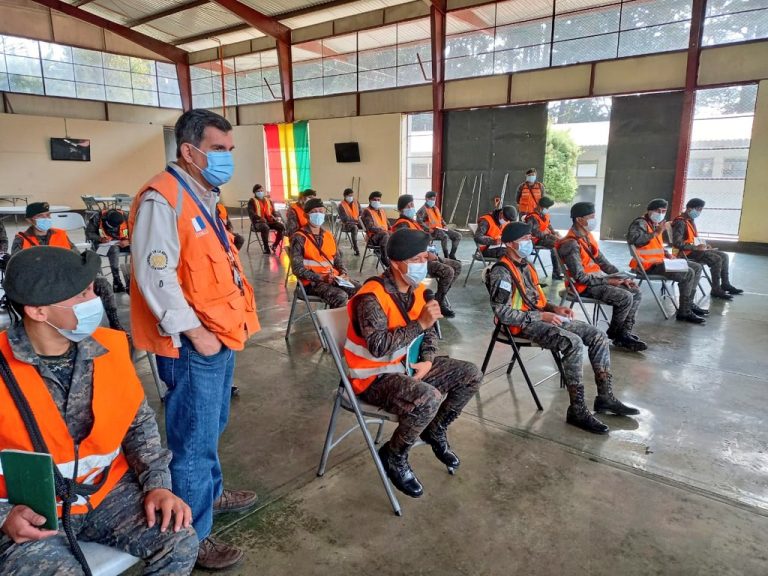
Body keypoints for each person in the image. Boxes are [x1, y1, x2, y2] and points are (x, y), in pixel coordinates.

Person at [0, 247, 197, 575]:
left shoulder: (111, 348)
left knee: (179, 540)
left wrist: (158, 485)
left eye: (91, 289)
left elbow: (138, 425)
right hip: (28, 512)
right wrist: (5, 516)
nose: (95, 300)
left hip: (106, 493)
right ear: (38, 311)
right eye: (82, 294)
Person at [129, 109, 261, 570]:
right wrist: (197, 333)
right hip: (192, 342)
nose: (227, 158)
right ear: (189, 151)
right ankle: (192, 535)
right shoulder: (162, 199)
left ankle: (211, 494)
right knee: (191, 439)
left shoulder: (203, 196)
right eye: (218, 149)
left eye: (230, 149)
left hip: (221, 334)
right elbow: (156, 277)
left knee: (212, 425)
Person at [345, 228, 483, 498]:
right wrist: (419, 323)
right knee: (429, 398)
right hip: (373, 378)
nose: (424, 264)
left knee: (471, 374)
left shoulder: (418, 291)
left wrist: (428, 361)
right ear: (396, 263)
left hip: (407, 367)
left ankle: (435, 429)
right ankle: (395, 455)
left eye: (425, 257)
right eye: (417, 259)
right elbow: (378, 346)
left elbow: (429, 334)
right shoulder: (371, 297)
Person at [487, 222, 639, 434]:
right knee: (572, 342)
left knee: (597, 335)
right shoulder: (501, 272)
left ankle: (605, 396)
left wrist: (554, 309)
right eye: (525, 239)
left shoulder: (526, 265)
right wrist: (541, 315)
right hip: (520, 325)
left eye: (530, 238)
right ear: (511, 243)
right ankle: (577, 409)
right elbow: (502, 312)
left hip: (541, 317)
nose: (530, 242)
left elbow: (533, 300)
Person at [11, 202, 126, 333]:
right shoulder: (21, 240)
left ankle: (114, 322)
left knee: (102, 283)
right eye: (40, 216)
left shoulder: (60, 234)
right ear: (29, 220)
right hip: (42, 284)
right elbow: (18, 268)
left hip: (66, 278)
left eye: (48, 215)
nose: (46, 219)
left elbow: (76, 256)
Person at [557, 202, 647, 352]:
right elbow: (580, 277)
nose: (594, 220)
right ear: (579, 219)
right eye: (591, 217)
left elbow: (603, 262)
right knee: (625, 297)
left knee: (635, 291)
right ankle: (616, 334)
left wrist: (622, 277)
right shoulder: (571, 244)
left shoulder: (587, 237)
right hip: (584, 287)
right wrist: (609, 280)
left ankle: (624, 333)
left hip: (597, 280)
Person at [627, 198, 708, 324]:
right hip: (647, 265)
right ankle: (684, 312)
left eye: (664, 211)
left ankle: (688, 304)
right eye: (658, 211)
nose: (661, 214)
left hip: (661, 262)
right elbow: (634, 240)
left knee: (696, 267)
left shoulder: (655, 224)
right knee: (688, 273)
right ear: (649, 211)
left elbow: (656, 245)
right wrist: (655, 233)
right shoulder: (640, 223)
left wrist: (667, 254)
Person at [392, 194, 461, 318]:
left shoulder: (412, 222)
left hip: (425, 257)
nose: (412, 207)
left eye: (412, 204)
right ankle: (440, 303)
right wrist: (427, 254)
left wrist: (429, 252)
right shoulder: (402, 225)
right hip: (415, 263)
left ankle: (440, 297)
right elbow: (406, 249)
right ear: (402, 209)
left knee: (457, 266)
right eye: (409, 205)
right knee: (449, 271)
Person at [290, 197, 360, 308]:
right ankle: (334, 319)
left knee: (360, 290)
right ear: (306, 215)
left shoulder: (329, 235)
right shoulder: (299, 237)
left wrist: (343, 273)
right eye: (314, 212)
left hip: (334, 278)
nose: (318, 214)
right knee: (340, 296)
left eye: (321, 211)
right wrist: (321, 278)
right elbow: (297, 268)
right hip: (311, 283)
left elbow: (337, 259)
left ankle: (348, 318)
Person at [671, 198, 743, 300]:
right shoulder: (680, 222)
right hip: (686, 253)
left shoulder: (689, 221)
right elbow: (677, 243)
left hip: (694, 250)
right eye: (698, 209)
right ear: (689, 209)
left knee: (724, 256)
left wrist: (705, 245)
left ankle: (725, 284)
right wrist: (696, 247)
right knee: (716, 259)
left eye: (701, 210)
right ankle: (716, 289)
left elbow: (693, 239)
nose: (699, 212)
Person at [85, 208, 131, 292]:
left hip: (122, 242)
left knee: (136, 248)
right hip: (103, 244)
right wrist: (100, 238)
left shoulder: (125, 217)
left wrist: (128, 241)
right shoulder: (97, 217)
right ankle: (116, 280)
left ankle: (132, 279)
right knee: (114, 249)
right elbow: (88, 233)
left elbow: (135, 232)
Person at [524, 196, 563, 280]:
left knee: (563, 242)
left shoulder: (545, 215)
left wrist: (554, 233)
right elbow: (534, 232)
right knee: (556, 245)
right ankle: (556, 273)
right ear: (540, 206)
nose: (547, 209)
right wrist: (545, 234)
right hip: (536, 240)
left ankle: (560, 271)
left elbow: (549, 225)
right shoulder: (532, 217)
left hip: (545, 237)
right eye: (546, 207)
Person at [416, 191, 461, 259]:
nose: (433, 201)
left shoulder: (435, 208)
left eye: (434, 199)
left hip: (440, 229)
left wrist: (444, 225)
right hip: (431, 231)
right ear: (427, 199)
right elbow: (419, 221)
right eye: (432, 199)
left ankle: (452, 255)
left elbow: (441, 218)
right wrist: (428, 229)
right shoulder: (422, 210)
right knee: (445, 236)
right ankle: (446, 257)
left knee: (458, 235)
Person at [248, 184, 284, 254]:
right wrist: (259, 218)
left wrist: (276, 216)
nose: (260, 192)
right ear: (254, 192)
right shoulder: (252, 201)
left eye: (261, 191)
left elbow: (273, 211)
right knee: (265, 227)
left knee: (281, 226)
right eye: (258, 191)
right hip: (258, 223)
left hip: (269, 221)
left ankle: (274, 245)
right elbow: (251, 213)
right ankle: (266, 248)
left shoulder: (268, 200)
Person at [361, 191, 391, 267]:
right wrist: (382, 230)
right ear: (370, 200)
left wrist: (392, 230)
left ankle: (395, 258)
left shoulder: (382, 211)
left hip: (383, 237)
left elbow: (388, 224)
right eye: (375, 200)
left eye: (378, 200)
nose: (377, 201)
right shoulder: (367, 211)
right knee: (385, 234)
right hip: (373, 238)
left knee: (395, 234)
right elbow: (370, 228)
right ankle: (384, 258)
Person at [336, 188, 363, 256]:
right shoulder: (341, 205)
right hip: (347, 225)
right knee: (354, 228)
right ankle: (356, 249)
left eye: (352, 195)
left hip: (357, 222)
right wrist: (356, 221)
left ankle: (374, 246)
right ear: (345, 196)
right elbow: (345, 219)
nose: (351, 197)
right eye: (349, 196)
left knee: (368, 225)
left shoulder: (356, 202)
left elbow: (361, 212)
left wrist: (360, 219)